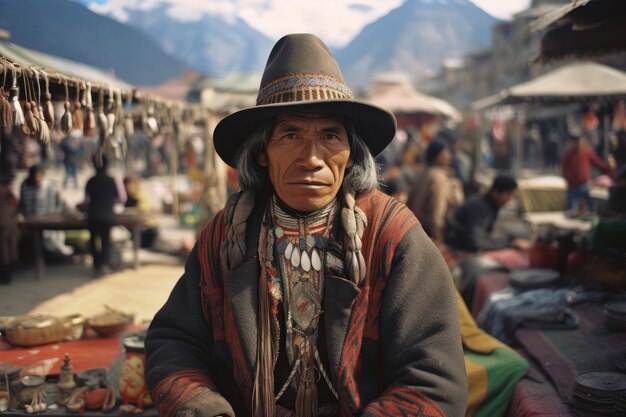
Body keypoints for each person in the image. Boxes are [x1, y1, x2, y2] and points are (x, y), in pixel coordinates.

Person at [144, 33, 467, 417]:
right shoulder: (223, 237)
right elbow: (173, 343)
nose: (311, 158)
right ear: (262, 152)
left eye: (330, 135)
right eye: (291, 134)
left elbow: (435, 380)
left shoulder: (392, 237)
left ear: (351, 154)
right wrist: (203, 406)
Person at [444, 175, 530, 253]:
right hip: (458, 249)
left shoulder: (492, 205)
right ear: (496, 192)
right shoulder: (479, 207)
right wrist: (510, 243)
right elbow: (475, 242)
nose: (510, 199)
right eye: (508, 194)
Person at [407, 139, 464, 245]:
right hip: (432, 231)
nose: (448, 155)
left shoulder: (423, 173)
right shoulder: (438, 177)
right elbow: (438, 206)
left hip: (416, 226)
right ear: (437, 155)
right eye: (445, 152)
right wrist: (438, 234)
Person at [123, 173, 193, 257]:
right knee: (170, 246)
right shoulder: (127, 199)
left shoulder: (141, 197)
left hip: (149, 232)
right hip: (142, 235)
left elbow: (145, 214)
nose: (129, 187)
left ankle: (187, 247)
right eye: (127, 185)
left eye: (131, 184)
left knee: (171, 245)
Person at [19, 164, 74, 257]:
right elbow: (23, 205)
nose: (37, 179)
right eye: (34, 177)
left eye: (39, 177)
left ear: (43, 175)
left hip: (50, 222)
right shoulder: (25, 186)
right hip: (31, 223)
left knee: (53, 241)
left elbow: (62, 204)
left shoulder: (51, 186)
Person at [561, 132, 614, 214]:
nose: (577, 143)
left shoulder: (587, 153)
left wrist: (609, 168)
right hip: (572, 187)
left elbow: (598, 164)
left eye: (578, 141)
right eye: (575, 141)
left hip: (584, 185)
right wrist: (569, 179)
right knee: (570, 210)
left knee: (591, 209)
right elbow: (564, 169)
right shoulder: (568, 155)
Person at [84, 154, 119, 275]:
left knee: (94, 241)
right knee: (105, 241)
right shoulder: (111, 181)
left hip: (93, 216)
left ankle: (96, 264)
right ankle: (104, 264)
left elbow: (86, 200)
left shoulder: (91, 181)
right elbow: (118, 198)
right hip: (107, 216)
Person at [0, 170, 20, 284]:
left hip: (5, 223)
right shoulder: (7, 191)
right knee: (8, 247)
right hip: (7, 222)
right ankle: (8, 273)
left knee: (4, 249)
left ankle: (6, 274)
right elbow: (15, 203)